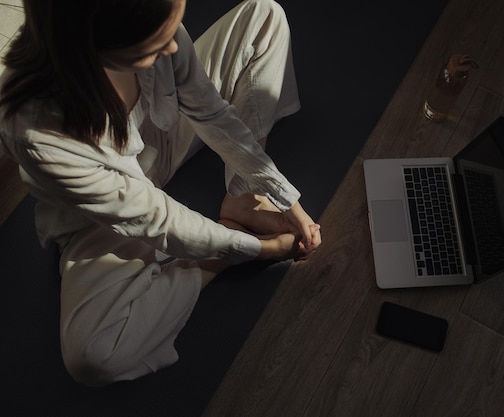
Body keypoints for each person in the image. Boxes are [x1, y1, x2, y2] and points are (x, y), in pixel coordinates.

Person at [0, 0, 321, 386]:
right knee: (94, 357)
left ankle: (241, 200)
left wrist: (280, 194)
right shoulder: (35, 131)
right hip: (100, 220)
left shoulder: (150, 20)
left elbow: (210, 112)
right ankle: (215, 258)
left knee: (265, 15)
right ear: (99, 46)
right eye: (153, 45)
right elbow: (156, 219)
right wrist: (258, 249)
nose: (172, 47)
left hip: (161, 134)